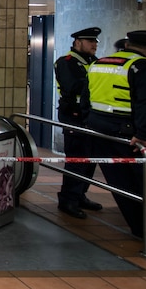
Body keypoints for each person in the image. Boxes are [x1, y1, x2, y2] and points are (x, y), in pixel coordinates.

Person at [85, 30, 146, 240]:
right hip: (130, 134)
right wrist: (145, 135)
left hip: (100, 130)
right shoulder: (143, 67)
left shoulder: (99, 63)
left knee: (119, 182)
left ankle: (138, 228)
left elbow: (87, 98)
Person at [54, 26, 103, 219]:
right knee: (77, 159)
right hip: (73, 116)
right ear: (77, 43)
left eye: (95, 42)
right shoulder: (67, 63)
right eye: (90, 41)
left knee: (89, 159)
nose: (94, 45)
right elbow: (71, 86)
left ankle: (80, 194)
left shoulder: (95, 62)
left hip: (90, 116)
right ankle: (68, 199)